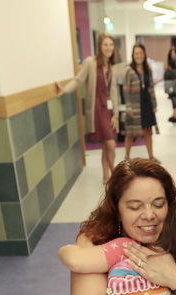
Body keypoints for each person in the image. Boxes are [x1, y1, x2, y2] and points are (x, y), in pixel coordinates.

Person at [55, 33, 120, 184]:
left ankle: (106, 176)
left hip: (108, 108)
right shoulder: (90, 62)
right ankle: (115, 174)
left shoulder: (111, 66)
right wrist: (65, 90)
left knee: (107, 144)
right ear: (100, 46)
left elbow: (114, 91)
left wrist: (115, 114)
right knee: (110, 143)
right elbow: (79, 79)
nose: (108, 47)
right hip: (96, 109)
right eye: (105, 44)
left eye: (111, 44)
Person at [122, 44, 158, 161]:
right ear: (133, 55)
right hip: (134, 105)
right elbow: (126, 90)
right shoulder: (128, 70)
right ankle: (127, 157)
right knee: (130, 132)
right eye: (136, 53)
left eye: (141, 53)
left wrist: (154, 104)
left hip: (146, 103)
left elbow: (151, 87)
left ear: (144, 54)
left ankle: (151, 156)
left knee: (148, 130)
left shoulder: (148, 69)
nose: (139, 56)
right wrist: (129, 106)